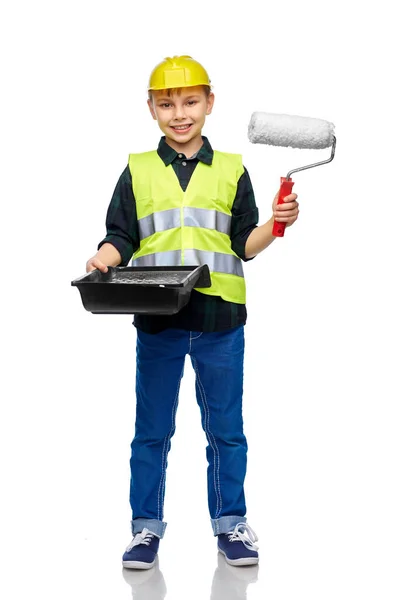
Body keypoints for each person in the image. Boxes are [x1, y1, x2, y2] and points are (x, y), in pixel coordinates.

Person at [85, 55, 299, 569]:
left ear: (209, 104)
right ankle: (144, 530)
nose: (179, 113)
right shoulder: (137, 168)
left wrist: (278, 223)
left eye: (190, 102)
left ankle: (232, 526)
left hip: (218, 321)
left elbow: (244, 244)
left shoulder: (231, 169)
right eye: (167, 104)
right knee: (152, 429)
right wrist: (103, 258)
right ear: (152, 109)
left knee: (225, 429)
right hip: (157, 318)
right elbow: (122, 235)